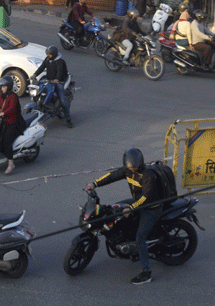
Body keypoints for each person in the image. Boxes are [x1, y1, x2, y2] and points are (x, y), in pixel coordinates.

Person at [86, 148, 163, 285]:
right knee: (115, 208)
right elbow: (112, 176)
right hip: (137, 202)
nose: (133, 170)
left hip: (151, 208)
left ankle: (146, 273)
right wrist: (95, 184)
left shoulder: (148, 175)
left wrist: (131, 208)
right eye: (131, 168)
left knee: (140, 238)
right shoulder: (127, 170)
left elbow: (146, 198)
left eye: (136, 167)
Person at [0, 76, 25, 174]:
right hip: (3, 122)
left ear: (9, 86)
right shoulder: (2, 96)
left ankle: (11, 163)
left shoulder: (13, 96)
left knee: (6, 141)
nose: (2, 88)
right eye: (1, 86)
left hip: (13, 123)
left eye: (4, 86)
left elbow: (11, 108)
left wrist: (2, 113)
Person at [30, 46, 72, 128]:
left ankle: (69, 120)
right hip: (49, 80)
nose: (47, 55)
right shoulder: (47, 59)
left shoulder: (60, 62)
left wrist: (57, 79)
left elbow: (60, 72)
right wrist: (35, 74)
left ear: (54, 54)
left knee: (63, 101)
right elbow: (41, 67)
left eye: (49, 54)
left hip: (59, 81)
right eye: (47, 54)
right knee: (41, 90)